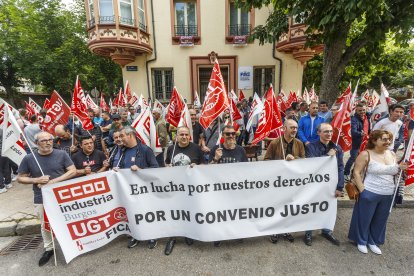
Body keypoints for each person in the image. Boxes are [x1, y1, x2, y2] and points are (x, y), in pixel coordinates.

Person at [17, 131, 76, 266]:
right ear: (36, 143)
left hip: (62, 195)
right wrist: (36, 179)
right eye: (44, 140)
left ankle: (71, 244)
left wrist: (53, 182)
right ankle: (49, 248)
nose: (48, 142)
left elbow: (72, 170)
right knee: (46, 225)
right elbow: (20, 178)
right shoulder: (29, 158)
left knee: (68, 220)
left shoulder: (61, 154)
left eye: (50, 139)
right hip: (41, 197)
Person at [348, 130, 407, 254]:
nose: (388, 142)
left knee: (381, 219)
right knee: (364, 218)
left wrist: (401, 169)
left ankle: (373, 241)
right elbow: (356, 172)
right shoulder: (366, 154)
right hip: (370, 191)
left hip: (388, 192)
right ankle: (361, 241)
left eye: (389, 139)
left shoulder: (392, 154)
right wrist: (362, 189)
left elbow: (394, 171)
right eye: (384, 139)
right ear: (374, 141)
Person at [163, 126, 204, 255]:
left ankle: (188, 233)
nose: (184, 137)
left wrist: (197, 167)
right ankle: (172, 237)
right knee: (174, 212)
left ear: (189, 136)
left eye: (186, 134)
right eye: (181, 135)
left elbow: (204, 165)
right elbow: (167, 164)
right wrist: (167, 167)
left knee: (189, 211)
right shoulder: (171, 148)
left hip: (191, 188)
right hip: (175, 187)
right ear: (177, 136)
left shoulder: (196, 148)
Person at [117, 126, 159, 250]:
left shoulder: (145, 150)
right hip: (129, 190)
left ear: (130, 135)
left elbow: (156, 169)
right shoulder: (123, 151)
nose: (120, 139)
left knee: (148, 212)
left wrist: (140, 170)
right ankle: (136, 235)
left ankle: (152, 235)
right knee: (133, 212)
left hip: (145, 190)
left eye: (122, 136)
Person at [264, 119, 305, 243]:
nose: (294, 130)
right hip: (277, 181)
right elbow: (266, 160)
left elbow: (304, 160)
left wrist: (295, 159)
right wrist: (281, 163)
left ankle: (286, 229)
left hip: (293, 182)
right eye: (292, 127)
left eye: (296, 128)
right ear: (284, 128)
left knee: (288, 206)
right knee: (276, 206)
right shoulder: (275, 143)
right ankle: (274, 231)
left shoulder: (299, 143)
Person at [304, 123, 343, 246]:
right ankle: (308, 232)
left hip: (330, 185)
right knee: (312, 207)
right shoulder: (311, 147)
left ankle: (327, 230)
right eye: (326, 131)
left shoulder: (338, 148)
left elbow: (340, 168)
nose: (329, 134)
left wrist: (339, 186)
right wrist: (327, 156)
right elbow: (312, 166)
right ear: (318, 133)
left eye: (331, 131)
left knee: (329, 208)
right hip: (315, 185)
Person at [209, 125, 248, 247]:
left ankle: (237, 233)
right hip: (219, 190)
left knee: (236, 212)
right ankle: (219, 235)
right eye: (227, 134)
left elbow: (247, 170)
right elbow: (207, 171)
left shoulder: (241, 150)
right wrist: (215, 159)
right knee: (220, 213)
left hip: (236, 189)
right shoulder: (216, 149)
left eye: (233, 134)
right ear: (223, 135)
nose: (231, 136)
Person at [344, 103, 371, 178]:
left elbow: (368, 129)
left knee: (362, 159)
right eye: (360, 110)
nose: (362, 112)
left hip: (365, 142)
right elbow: (353, 132)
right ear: (356, 110)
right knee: (353, 158)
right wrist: (361, 134)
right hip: (356, 143)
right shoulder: (354, 119)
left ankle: (355, 173)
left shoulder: (367, 117)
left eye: (364, 110)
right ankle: (346, 173)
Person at [0, 129, 13, 193]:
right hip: (5, 151)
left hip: (2, 152)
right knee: (6, 167)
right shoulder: (2, 130)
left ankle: (1, 187)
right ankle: (8, 183)